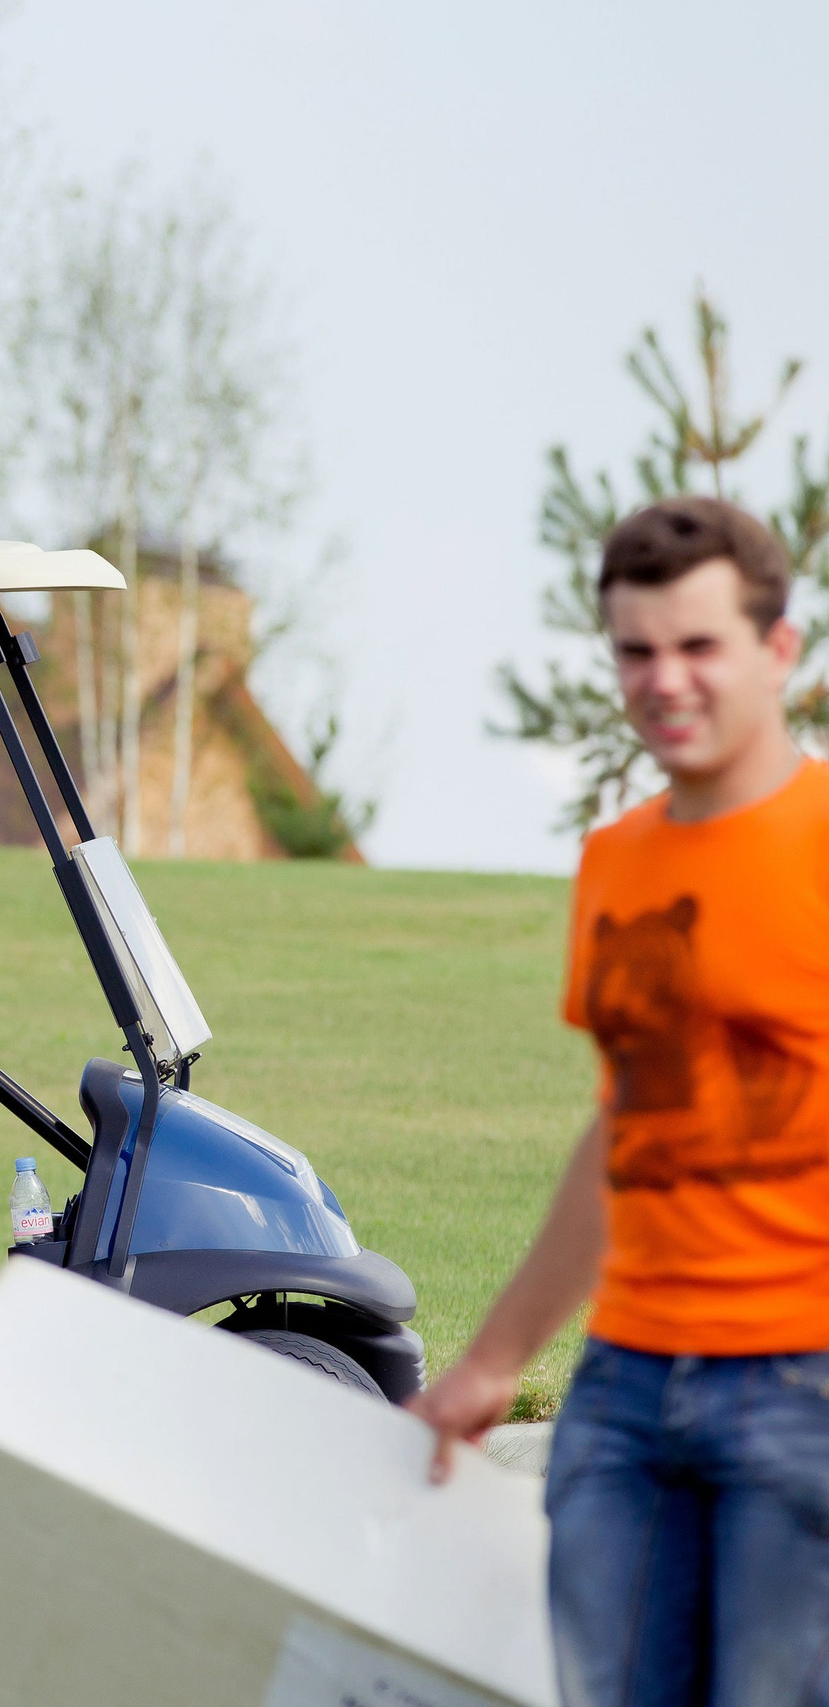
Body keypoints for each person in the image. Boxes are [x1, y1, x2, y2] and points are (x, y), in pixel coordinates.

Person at [409, 496, 829, 1703]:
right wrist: (493, 1361)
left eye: (699, 646)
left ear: (778, 652)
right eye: (636, 650)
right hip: (626, 1390)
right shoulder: (617, 861)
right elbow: (627, 1124)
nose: (665, 681)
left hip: (799, 1383)